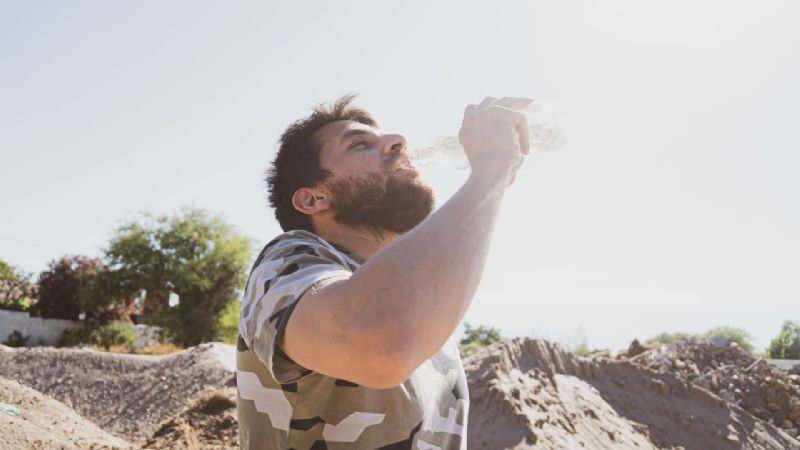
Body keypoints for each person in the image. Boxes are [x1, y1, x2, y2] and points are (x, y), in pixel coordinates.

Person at [237, 94, 531, 449]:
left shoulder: (415, 300)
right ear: (313, 198)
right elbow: (380, 346)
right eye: (360, 144)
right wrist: (491, 169)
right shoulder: (287, 262)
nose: (398, 141)